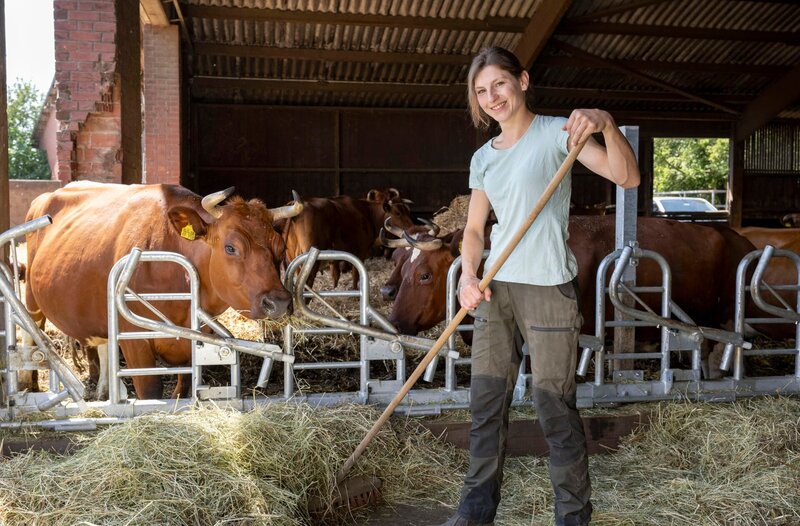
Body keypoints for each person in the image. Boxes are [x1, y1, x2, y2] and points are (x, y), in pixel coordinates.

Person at [438, 47, 640, 526]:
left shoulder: (556, 133)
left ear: (522, 81)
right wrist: (468, 275)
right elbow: (473, 230)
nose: (492, 97)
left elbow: (626, 177)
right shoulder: (483, 156)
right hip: (495, 288)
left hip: (548, 288)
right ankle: (475, 512)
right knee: (486, 403)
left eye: (499, 85)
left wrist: (606, 123)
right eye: (481, 91)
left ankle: (573, 516)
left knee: (554, 407)